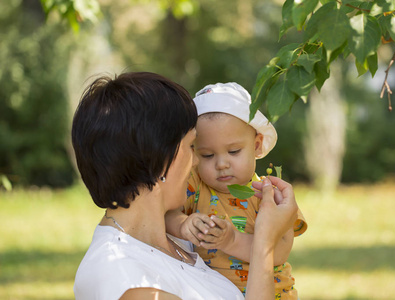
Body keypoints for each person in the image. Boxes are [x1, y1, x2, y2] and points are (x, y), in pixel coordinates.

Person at [72, 72, 299, 300]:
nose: (198, 162)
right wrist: (263, 241)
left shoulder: (177, 241)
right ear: (161, 160)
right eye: (194, 147)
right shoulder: (125, 277)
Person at [165, 83, 307, 299]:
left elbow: (280, 251)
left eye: (233, 151)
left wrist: (231, 241)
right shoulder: (195, 186)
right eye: (207, 155)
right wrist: (183, 224)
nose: (222, 164)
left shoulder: (270, 195)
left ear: (257, 145)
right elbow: (164, 214)